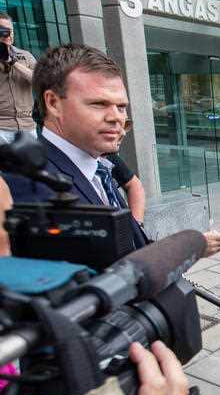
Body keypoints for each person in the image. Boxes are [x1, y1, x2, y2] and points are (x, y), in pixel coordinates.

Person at [1, 43, 148, 251]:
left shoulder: (100, 163)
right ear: (53, 103)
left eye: (121, 107)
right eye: (99, 104)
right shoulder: (24, 183)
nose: (117, 117)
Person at [0, 13, 36, 144]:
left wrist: (13, 62)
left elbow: (39, 80)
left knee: (31, 164)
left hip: (27, 125)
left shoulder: (25, 56)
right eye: (3, 30)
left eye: (11, 31)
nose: (8, 35)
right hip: (2, 127)